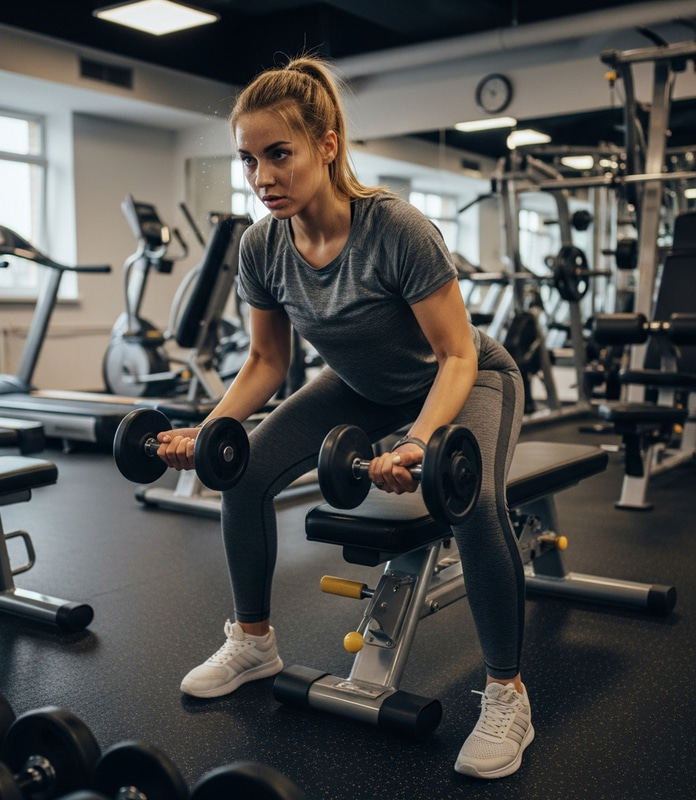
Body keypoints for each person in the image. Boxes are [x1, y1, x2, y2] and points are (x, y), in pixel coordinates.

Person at [156, 54, 531, 780]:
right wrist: (209, 430)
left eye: (279, 154)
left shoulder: (396, 229)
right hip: (360, 387)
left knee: (475, 501)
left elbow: (455, 356)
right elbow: (266, 361)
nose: (262, 176)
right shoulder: (262, 245)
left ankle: (507, 693)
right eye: (248, 160)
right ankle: (254, 641)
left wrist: (420, 442)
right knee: (245, 468)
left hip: (470, 378)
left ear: (327, 145)